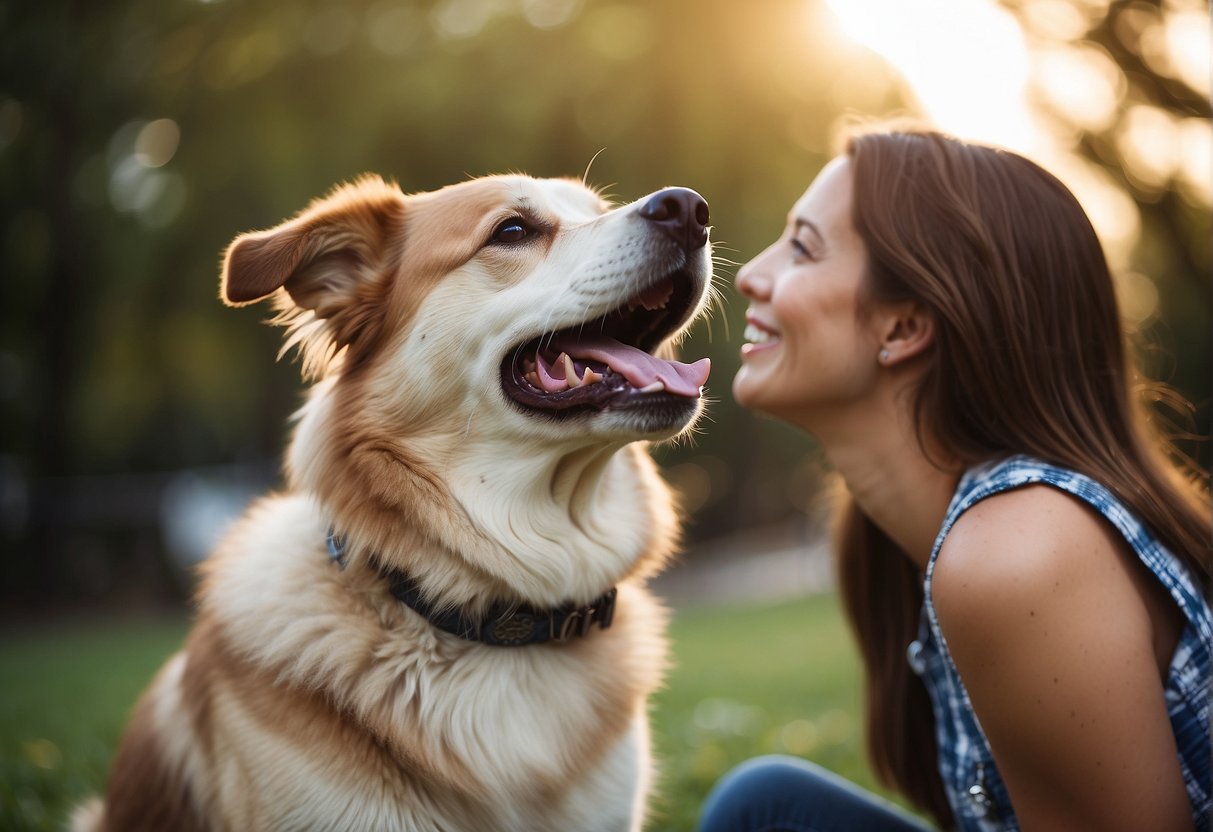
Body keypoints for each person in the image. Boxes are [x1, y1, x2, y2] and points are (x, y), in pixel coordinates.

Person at [698, 127, 1212, 832]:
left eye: (802, 247)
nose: (750, 273)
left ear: (903, 327)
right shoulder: (893, 535)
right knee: (764, 807)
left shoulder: (1017, 553)